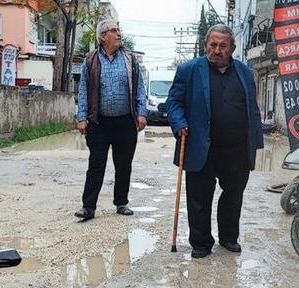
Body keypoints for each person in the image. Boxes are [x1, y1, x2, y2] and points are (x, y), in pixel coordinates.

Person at [166, 24, 264, 258]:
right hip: (201, 146)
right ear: (205, 45)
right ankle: (201, 243)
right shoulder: (189, 71)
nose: (217, 50)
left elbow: (253, 109)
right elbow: (173, 103)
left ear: (232, 48)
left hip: (237, 148)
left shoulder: (245, 72)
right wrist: (179, 123)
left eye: (223, 46)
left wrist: (256, 141)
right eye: (213, 45)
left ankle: (229, 237)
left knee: (233, 196)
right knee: (199, 198)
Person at [74, 19, 148, 221]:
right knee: (96, 164)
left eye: (118, 30)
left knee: (124, 164)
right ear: (103, 36)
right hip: (99, 123)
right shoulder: (90, 60)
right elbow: (82, 90)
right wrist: (82, 117)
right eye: (113, 31)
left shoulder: (130, 59)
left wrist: (141, 113)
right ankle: (88, 207)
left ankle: (121, 202)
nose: (118, 34)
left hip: (125, 121)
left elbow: (140, 88)